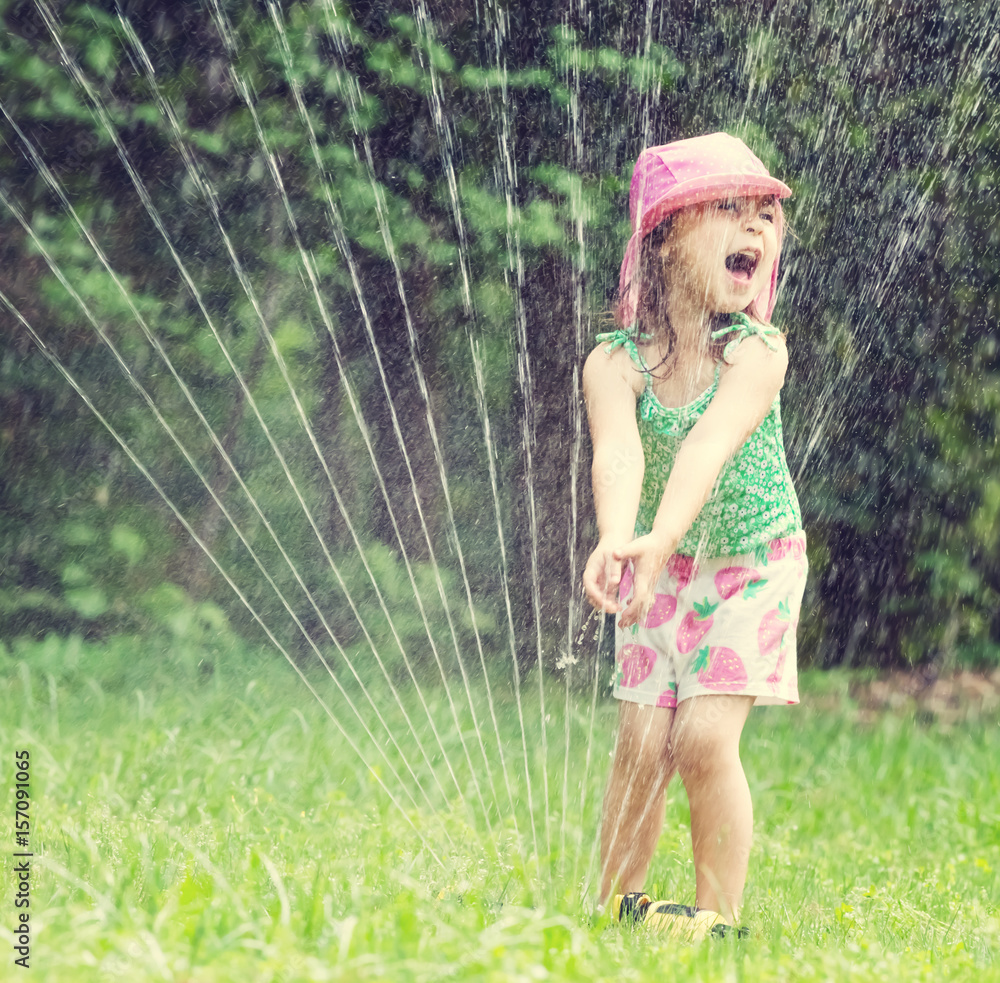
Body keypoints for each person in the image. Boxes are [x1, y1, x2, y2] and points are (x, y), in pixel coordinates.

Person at [582, 132, 807, 940]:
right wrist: (620, 540)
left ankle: (719, 917)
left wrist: (658, 535)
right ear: (666, 235)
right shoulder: (615, 362)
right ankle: (617, 904)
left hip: (753, 564)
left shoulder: (757, 352)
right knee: (642, 743)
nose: (755, 228)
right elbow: (620, 452)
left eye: (765, 216)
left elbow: (706, 450)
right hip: (659, 566)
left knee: (705, 738)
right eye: (728, 209)